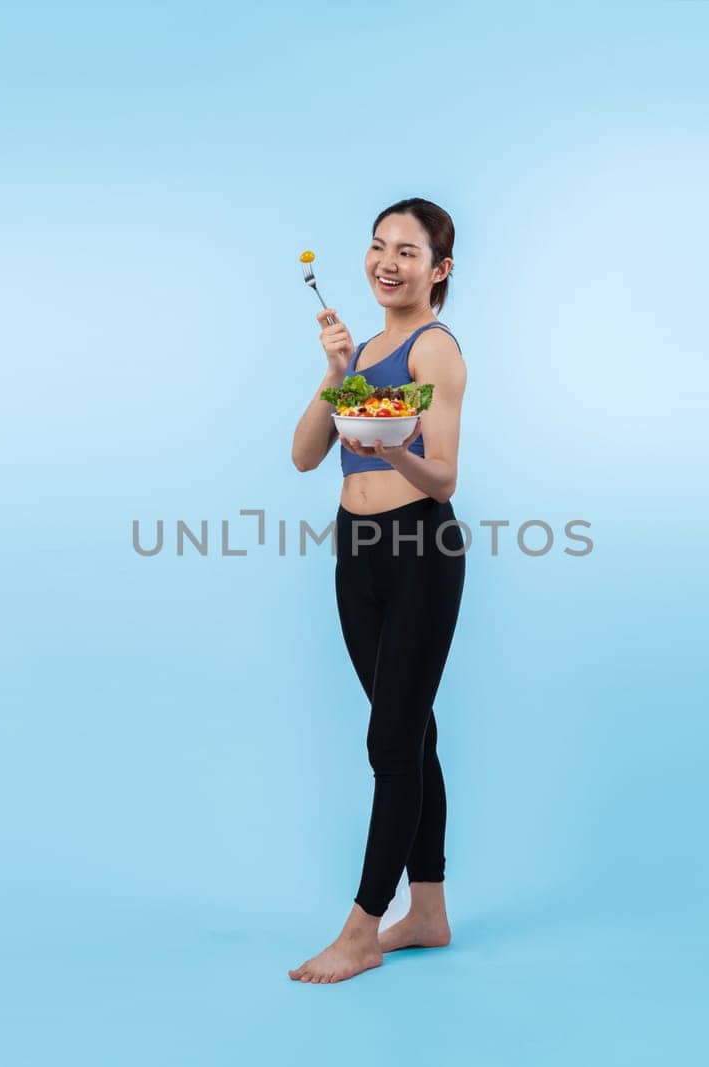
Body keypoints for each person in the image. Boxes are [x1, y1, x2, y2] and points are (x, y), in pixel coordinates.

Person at [287, 197, 469, 983]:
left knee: (389, 745)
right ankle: (426, 913)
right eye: (377, 246)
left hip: (421, 549)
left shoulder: (435, 352)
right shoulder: (358, 352)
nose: (387, 262)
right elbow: (302, 456)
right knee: (411, 733)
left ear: (439, 270)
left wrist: (387, 446)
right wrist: (337, 377)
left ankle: (363, 928)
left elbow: (443, 473)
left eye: (407, 251)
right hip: (355, 552)